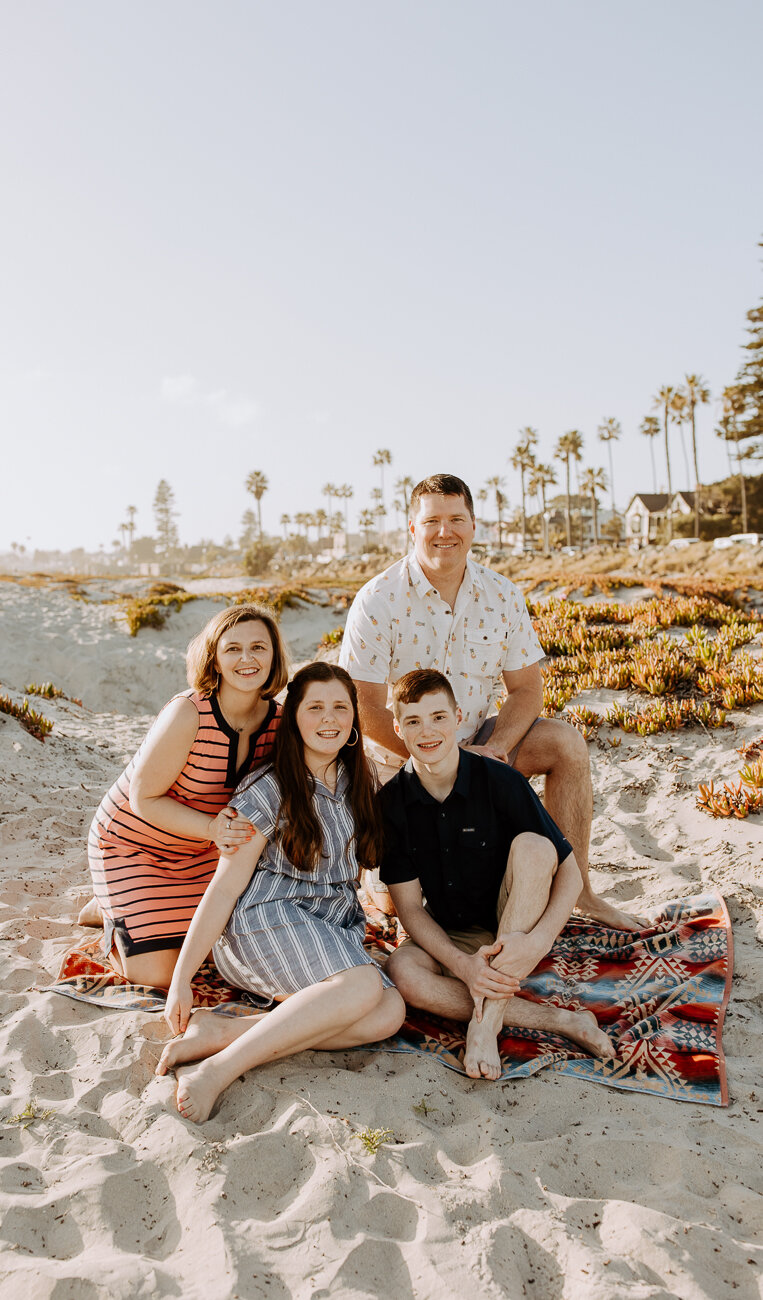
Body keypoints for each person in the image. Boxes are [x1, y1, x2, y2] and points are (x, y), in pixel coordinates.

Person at [340, 471, 639, 931]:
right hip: (396, 760)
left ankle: (581, 892)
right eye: (432, 520)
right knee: (392, 908)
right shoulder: (377, 599)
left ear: (474, 525)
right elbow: (364, 706)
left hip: (479, 743)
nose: (445, 531)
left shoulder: (501, 594)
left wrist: (493, 750)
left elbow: (527, 689)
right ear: (412, 529)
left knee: (566, 744)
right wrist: (439, 757)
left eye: (456, 519)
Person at [155, 662, 406, 1122]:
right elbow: (224, 887)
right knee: (364, 985)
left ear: (354, 719)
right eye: (315, 708)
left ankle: (224, 1032)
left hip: (332, 925)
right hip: (263, 921)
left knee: (388, 1013)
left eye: (339, 708)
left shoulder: (362, 780)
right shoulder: (267, 790)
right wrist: (182, 980)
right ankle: (217, 1069)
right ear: (293, 718)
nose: (329, 719)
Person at [380, 668, 616, 1081]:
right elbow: (409, 910)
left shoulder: (500, 780)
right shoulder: (392, 803)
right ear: (398, 728)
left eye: (438, 717)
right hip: (450, 933)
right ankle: (562, 1021)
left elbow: (570, 874)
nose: (427, 731)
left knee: (536, 847)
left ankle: (486, 1025)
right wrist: (463, 964)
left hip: (515, 922)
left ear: (457, 717)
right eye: (413, 721)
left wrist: (538, 940)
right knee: (403, 975)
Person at [84, 604, 288, 991]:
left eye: (259, 647)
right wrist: (212, 828)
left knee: (219, 950)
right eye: (233, 649)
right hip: (134, 845)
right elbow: (144, 799)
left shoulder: (279, 722)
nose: (247, 658)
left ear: (274, 655)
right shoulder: (189, 713)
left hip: (208, 850)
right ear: (214, 657)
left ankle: (126, 908)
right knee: (157, 975)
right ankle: (113, 915)